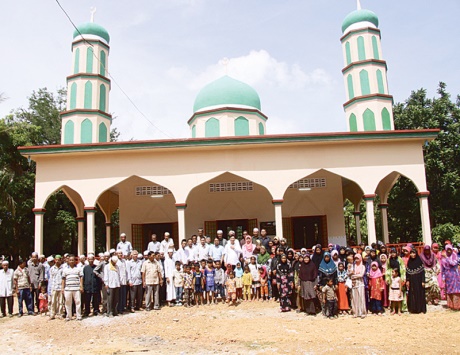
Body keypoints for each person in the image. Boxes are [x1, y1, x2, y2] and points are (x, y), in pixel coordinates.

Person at [61, 255, 83, 321]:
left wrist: (81, 286)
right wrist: (62, 288)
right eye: (70, 260)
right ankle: (69, 316)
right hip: (68, 288)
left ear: (75, 261)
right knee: (67, 303)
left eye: (73, 260)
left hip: (76, 288)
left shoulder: (78, 269)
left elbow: (81, 277)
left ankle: (78, 316)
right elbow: (63, 279)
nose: (71, 261)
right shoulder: (65, 270)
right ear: (68, 261)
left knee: (78, 302)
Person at [406, 249, 426, 314]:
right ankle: (413, 309)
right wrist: (407, 280)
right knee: (412, 294)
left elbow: (423, 272)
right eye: (411, 253)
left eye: (414, 253)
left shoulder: (419, 261)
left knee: (419, 294)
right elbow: (408, 273)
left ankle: (420, 309)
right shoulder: (409, 262)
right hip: (412, 281)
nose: (412, 255)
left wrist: (423, 281)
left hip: (419, 281)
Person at [441, 244, 460, 310]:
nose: (449, 251)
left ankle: (457, 306)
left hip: (455, 275)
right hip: (447, 276)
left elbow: (453, 263)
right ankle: (451, 306)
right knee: (449, 290)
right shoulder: (443, 258)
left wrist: (447, 258)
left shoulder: (455, 256)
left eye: (450, 249)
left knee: (455, 290)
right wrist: (443, 277)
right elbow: (442, 268)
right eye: (447, 250)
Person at [349, 254, 366, 318]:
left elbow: (361, 275)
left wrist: (354, 276)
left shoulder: (363, 266)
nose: (356, 259)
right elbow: (350, 273)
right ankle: (355, 312)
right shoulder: (353, 266)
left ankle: (362, 312)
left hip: (360, 282)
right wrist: (353, 275)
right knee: (354, 298)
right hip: (354, 283)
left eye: (358, 258)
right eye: (355, 258)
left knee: (361, 297)